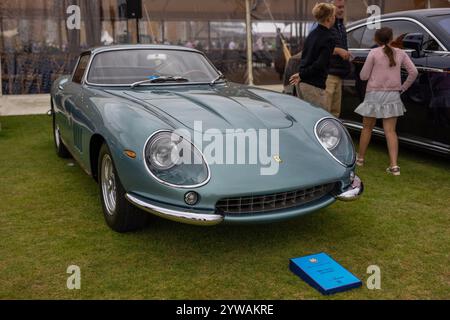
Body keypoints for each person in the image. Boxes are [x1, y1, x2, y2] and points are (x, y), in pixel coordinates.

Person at [355, 27, 418, 176]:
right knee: (390, 131)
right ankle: (394, 166)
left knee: (367, 128)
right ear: (391, 38)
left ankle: (360, 159)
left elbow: (363, 76)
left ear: (376, 39)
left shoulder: (373, 53)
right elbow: (413, 72)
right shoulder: (401, 53)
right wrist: (403, 88)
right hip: (392, 95)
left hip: (373, 94)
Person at [289, 3, 336, 109]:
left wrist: (301, 74)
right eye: (333, 16)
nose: (335, 18)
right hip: (314, 86)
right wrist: (301, 75)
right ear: (328, 19)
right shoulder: (329, 38)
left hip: (302, 84)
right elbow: (320, 64)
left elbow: (307, 58)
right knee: (319, 119)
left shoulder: (312, 34)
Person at [325, 0, 352, 118]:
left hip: (339, 74)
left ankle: (332, 136)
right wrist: (338, 50)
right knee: (325, 111)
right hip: (328, 74)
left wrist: (346, 54)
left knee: (335, 113)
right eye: (339, 7)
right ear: (331, 8)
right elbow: (318, 48)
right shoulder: (326, 25)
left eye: (343, 7)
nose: (341, 10)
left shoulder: (341, 26)